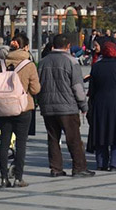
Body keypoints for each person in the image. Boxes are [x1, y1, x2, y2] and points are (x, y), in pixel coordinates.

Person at [38, 33, 94, 178]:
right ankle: (79, 167)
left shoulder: (43, 62)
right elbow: (77, 86)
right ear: (68, 46)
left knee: (53, 138)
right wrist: (83, 105)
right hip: (67, 106)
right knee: (73, 138)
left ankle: (55, 168)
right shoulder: (71, 62)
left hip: (48, 106)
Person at [0, 34, 40, 188]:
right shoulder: (28, 64)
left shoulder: (2, 63)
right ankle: (18, 177)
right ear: (25, 47)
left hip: (4, 106)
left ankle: (3, 177)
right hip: (22, 107)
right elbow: (35, 88)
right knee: (21, 143)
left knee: (4, 141)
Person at [86, 41, 116, 171]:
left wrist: (92, 101)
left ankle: (101, 162)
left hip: (100, 101)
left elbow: (92, 88)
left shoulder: (97, 66)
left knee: (101, 132)